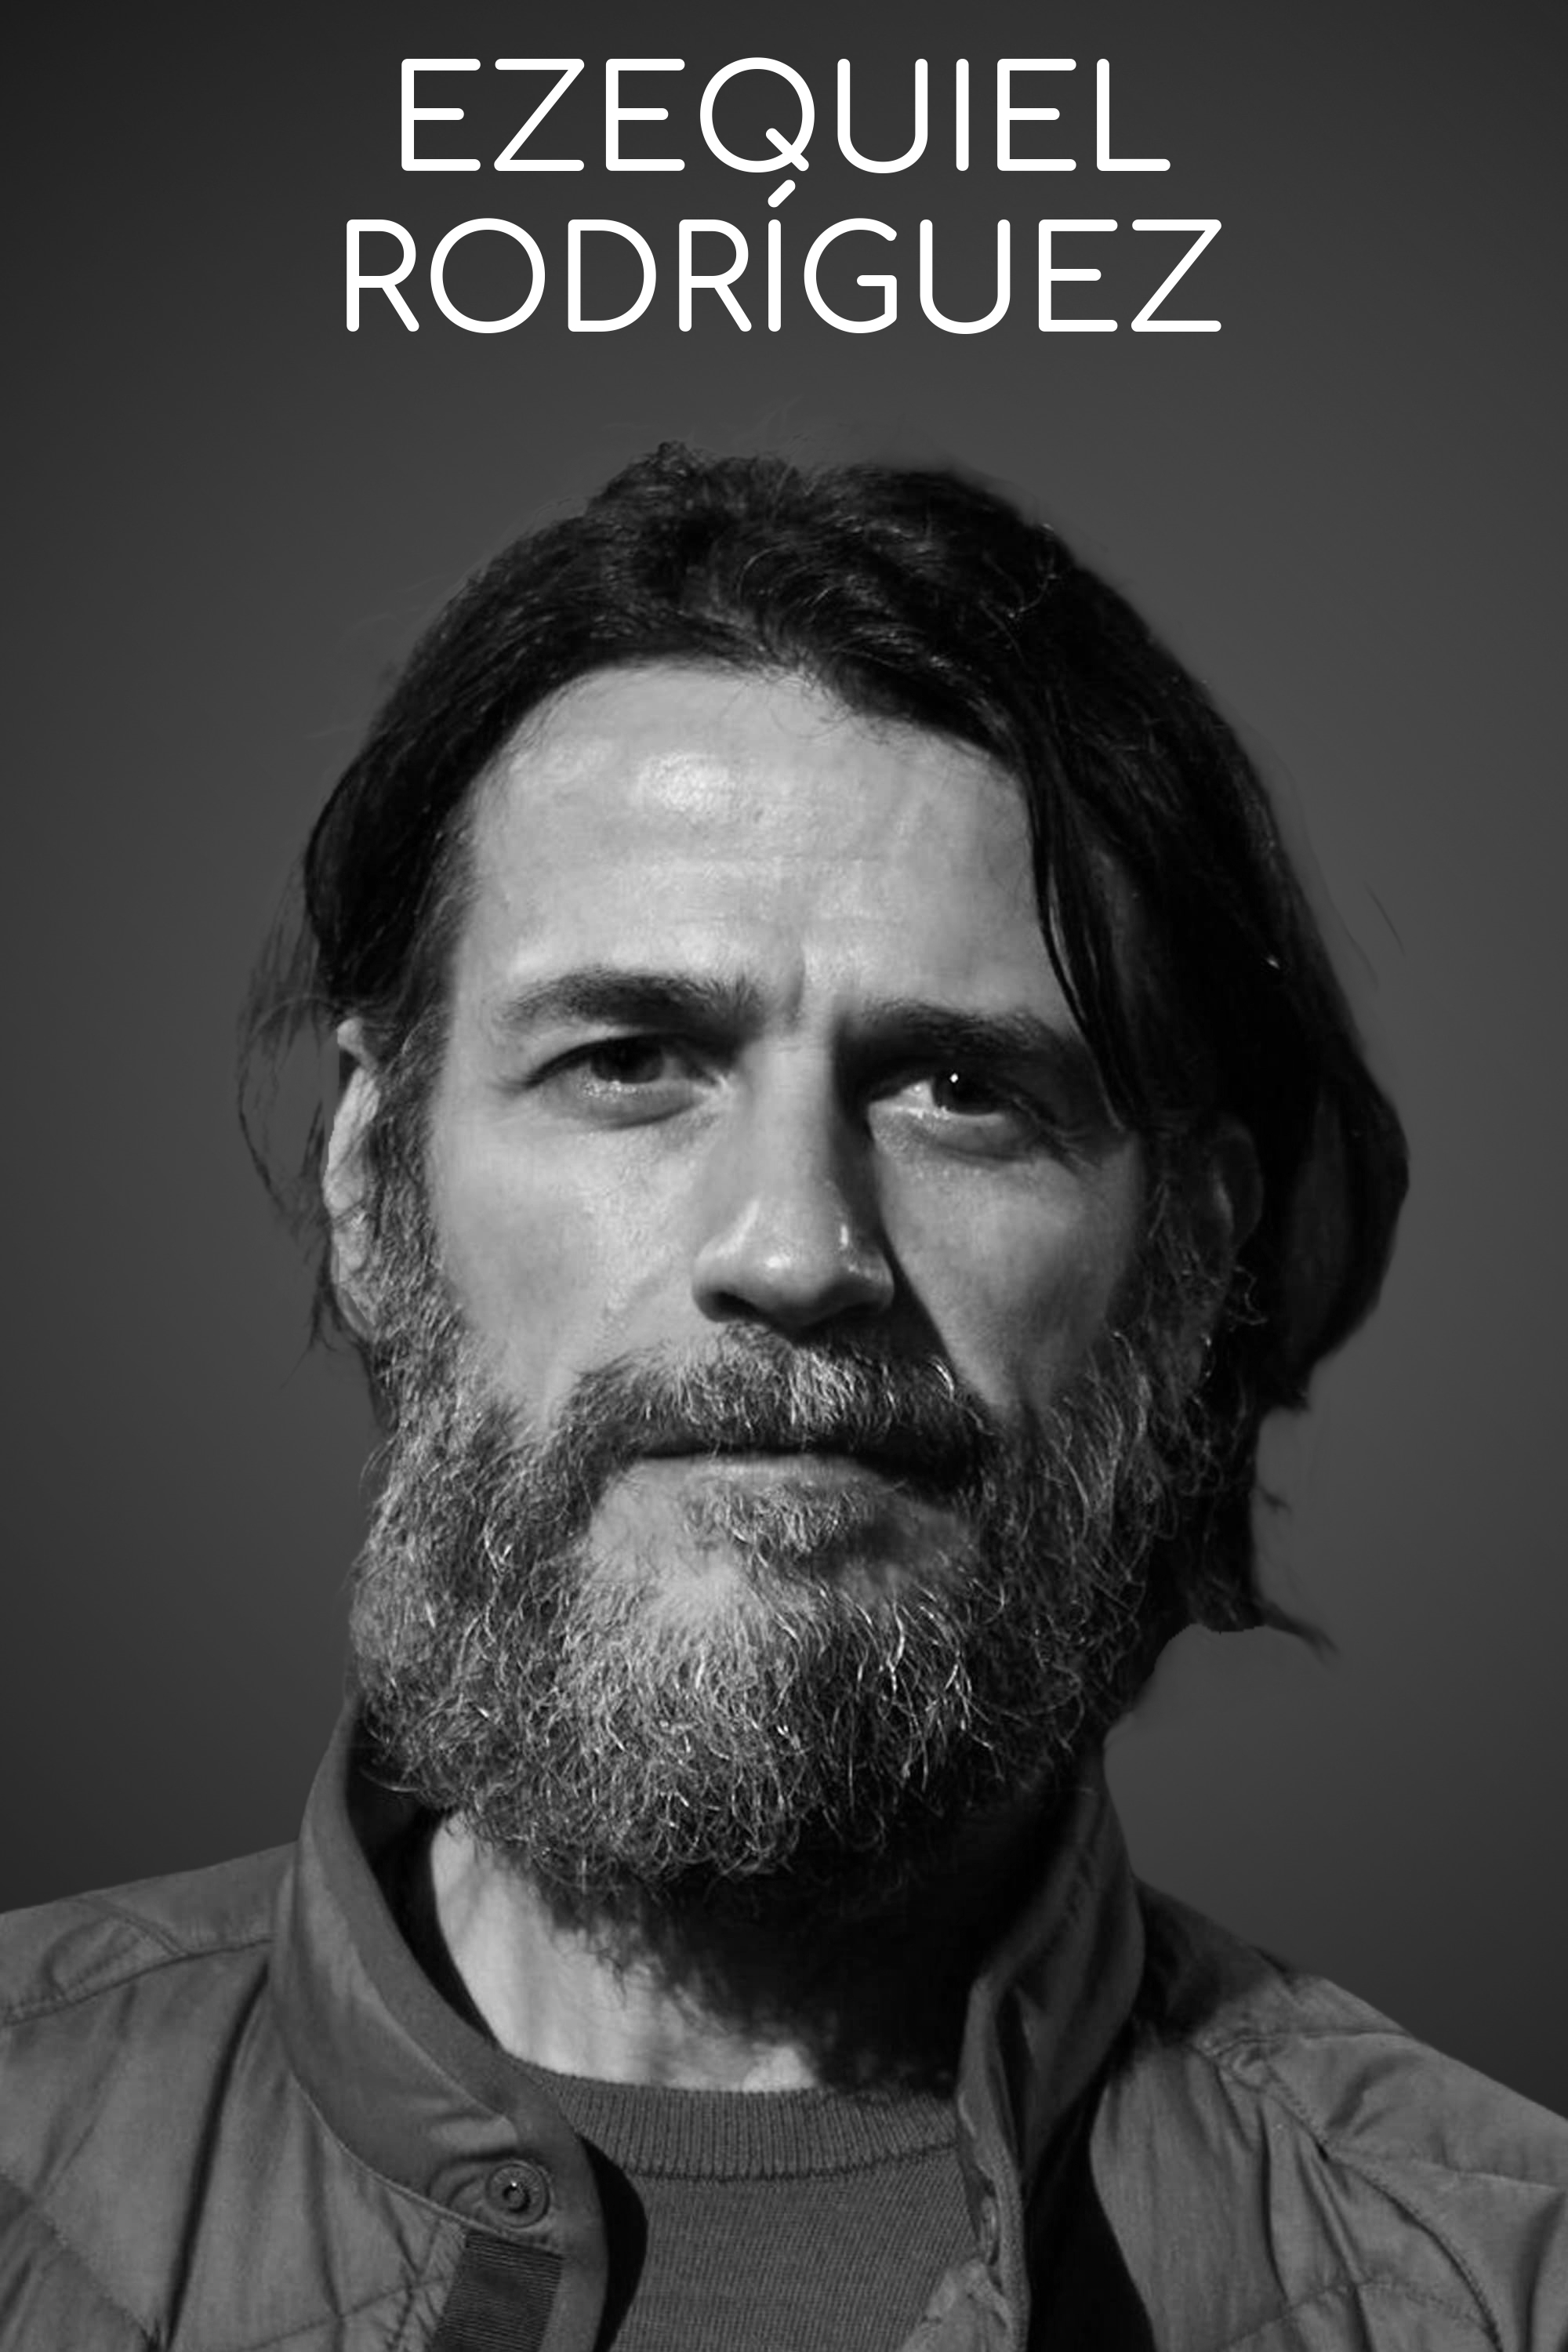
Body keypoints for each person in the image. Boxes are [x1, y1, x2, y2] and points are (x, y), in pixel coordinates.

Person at [1, 445, 1563, 2351]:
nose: (798, 1249)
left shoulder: (1500, 2283)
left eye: (962, 1091)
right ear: (368, 1180)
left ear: (1194, 1250)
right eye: (629, 1059)